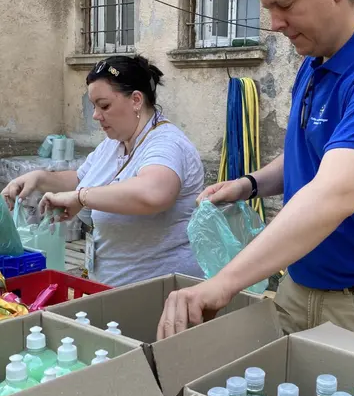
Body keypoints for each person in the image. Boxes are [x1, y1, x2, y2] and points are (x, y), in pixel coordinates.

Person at [156, 0, 354, 353]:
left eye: (285, 5)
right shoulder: (313, 63)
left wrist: (223, 283)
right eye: (268, 8)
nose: (274, 24)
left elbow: (333, 194)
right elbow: (312, 157)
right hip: (298, 290)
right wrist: (249, 184)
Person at [2, 55, 204, 286]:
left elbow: (154, 192)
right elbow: (80, 178)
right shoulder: (114, 142)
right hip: (111, 285)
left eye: (104, 105)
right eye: (94, 106)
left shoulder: (166, 144)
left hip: (159, 291)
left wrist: (82, 198)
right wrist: (38, 178)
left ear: (136, 100)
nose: (96, 115)